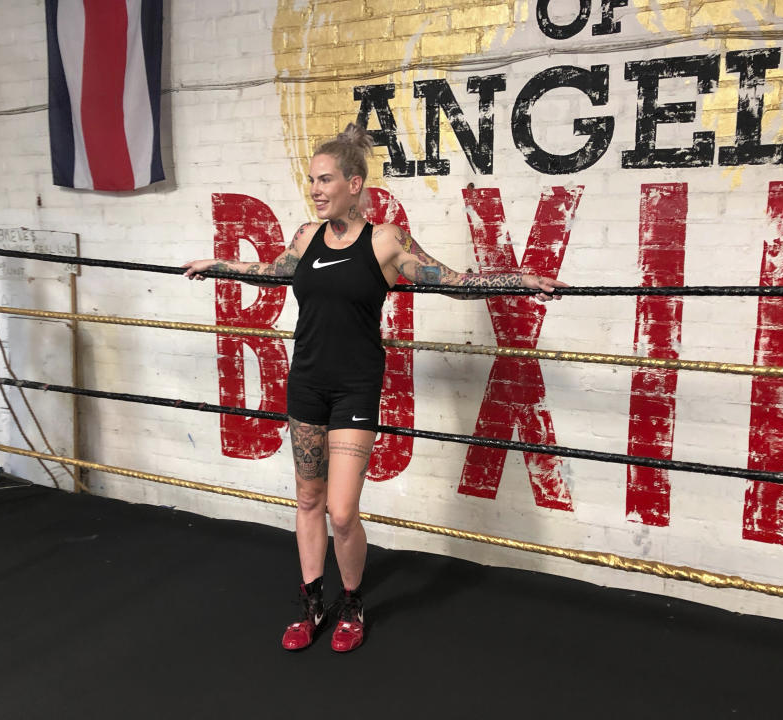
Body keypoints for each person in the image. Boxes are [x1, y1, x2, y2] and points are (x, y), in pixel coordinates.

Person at [183, 123, 566, 653]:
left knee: (342, 511)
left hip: (357, 388)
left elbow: (452, 282)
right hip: (307, 385)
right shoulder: (306, 237)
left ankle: (353, 601)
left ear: (355, 183)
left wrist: (518, 279)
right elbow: (273, 271)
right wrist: (217, 265)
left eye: (326, 180)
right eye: (312, 181)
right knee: (309, 498)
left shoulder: (385, 242)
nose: (316, 190)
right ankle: (312, 602)